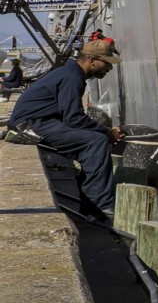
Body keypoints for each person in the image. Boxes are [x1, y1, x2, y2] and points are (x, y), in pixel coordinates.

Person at [3, 39, 124, 214]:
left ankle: (92, 200)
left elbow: (71, 117)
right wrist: (106, 131)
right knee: (96, 141)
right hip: (31, 125)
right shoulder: (72, 77)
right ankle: (100, 206)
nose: (109, 68)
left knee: (93, 141)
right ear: (92, 61)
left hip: (37, 121)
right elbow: (74, 118)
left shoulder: (69, 72)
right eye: (106, 63)